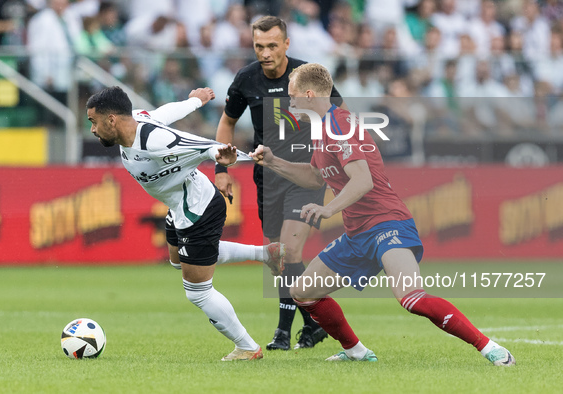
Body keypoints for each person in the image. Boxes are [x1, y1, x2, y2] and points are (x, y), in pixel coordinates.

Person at [250, 63, 516, 366]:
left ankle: (490, 348)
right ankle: (356, 352)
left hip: (388, 223)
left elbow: (364, 180)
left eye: (293, 95)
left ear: (309, 94)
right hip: (356, 234)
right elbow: (314, 176)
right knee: (302, 292)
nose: (290, 102)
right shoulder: (322, 128)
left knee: (411, 298)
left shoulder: (340, 125)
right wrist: (272, 162)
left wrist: (327, 209)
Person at [86, 86, 286, 361]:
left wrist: (228, 156)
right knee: (178, 260)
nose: (93, 129)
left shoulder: (154, 142)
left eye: (93, 122)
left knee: (197, 292)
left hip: (197, 209)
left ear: (111, 119)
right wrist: (194, 101)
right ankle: (265, 254)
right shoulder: (135, 119)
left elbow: (196, 144)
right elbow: (163, 113)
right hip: (179, 205)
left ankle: (247, 347)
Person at [215, 15, 344, 350]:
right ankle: (314, 322)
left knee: (287, 252)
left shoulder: (308, 75)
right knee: (277, 257)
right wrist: (222, 170)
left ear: (287, 44)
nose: (266, 52)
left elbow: (338, 115)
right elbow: (227, 123)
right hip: (267, 176)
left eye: (272, 45)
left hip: (305, 175)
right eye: (259, 46)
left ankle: (283, 333)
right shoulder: (246, 79)